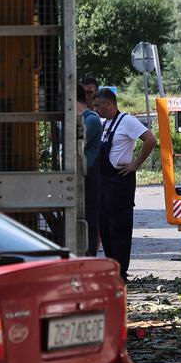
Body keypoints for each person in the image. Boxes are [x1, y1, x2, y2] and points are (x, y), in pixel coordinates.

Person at [94, 87, 154, 279]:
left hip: (120, 181)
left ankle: (121, 271)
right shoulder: (103, 123)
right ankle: (111, 268)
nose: (95, 109)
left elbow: (150, 140)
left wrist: (135, 164)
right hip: (103, 181)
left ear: (109, 104)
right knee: (103, 226)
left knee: (118, 227)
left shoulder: (127, 121)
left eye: (97, 105)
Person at [77, 83, 104, 256]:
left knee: (89, 219)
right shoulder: (79, 119)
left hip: (89, 175)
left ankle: (89, 257)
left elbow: (75, 141)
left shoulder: (91, 119)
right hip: (80, 174)